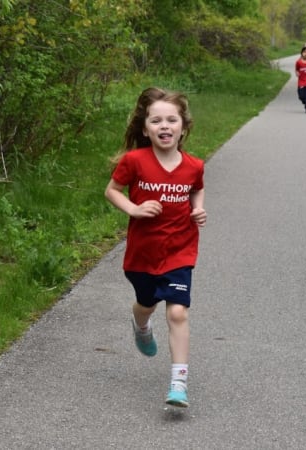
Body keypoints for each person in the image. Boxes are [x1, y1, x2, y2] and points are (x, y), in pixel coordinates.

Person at [104, 87, 207, 408]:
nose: (165, 126)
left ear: (183, 126)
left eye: (171, 120)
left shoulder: (194, 165)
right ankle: (140, 323)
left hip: (180, 250)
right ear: (145, 128)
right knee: (145, 303)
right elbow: (112, 191)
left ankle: (179, 381)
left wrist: (198, 209)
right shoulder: (135, 161)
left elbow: (197, 190)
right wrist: (133, 209)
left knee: (177, 311)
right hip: (142, 253)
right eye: (156, 120)